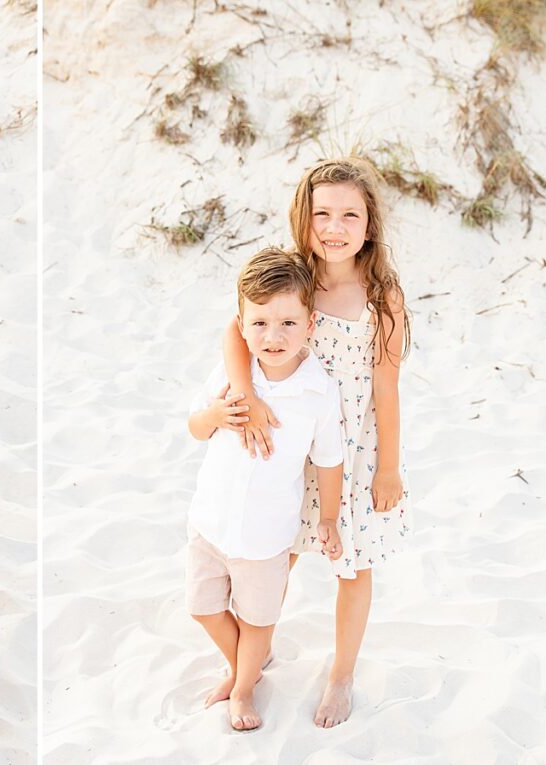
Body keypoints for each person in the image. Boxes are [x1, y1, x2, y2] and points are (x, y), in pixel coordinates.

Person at [222, 157, 412, 727]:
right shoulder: (290, 276)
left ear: (369, 224)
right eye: (322, 213)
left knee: (351, 567)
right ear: (303, 219)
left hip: (353, 452)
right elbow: (235, 330)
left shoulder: (383, 296)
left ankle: (341, 675)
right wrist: (243, 393)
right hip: (290, 442)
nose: (334, 226)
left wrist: (389, 470)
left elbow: (388, 387)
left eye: (349, 214)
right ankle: (250, 666)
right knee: (277, 555)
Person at [188, 247, 344, 731]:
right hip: (210, 522)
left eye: (287, 324)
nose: (272, 337)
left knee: (258, 621)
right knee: (203, 609)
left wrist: (328, 519)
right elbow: (195, 426)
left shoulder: (318, 391)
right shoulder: (233, 375)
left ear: (310, 323)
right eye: (258, 324)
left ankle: (243, 686)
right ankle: (244, 665)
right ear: (241, 323)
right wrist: (216, 416)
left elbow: (329, 459)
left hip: (265, 534)